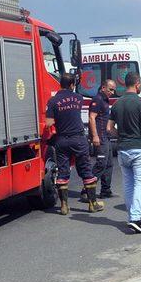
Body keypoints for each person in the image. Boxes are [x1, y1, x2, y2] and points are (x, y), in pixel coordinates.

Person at [107, 72, 141, 234]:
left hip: (123, 149)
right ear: (137, 84)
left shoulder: (117, 104)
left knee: (129, 184)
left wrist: (121, 136)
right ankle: (136, 218)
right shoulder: (139, 102)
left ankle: (132, 217)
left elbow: (109, 128)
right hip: (139, 148)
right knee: (140, 185)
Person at [45, 73, 103, 215]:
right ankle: (92, 203)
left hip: (62, 140)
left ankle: (64, 206)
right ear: (72, 85)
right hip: (78, 139)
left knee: (63, 172)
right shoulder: (78, 98)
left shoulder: (52, 101)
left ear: (60, 83)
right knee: (86, 170)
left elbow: (49, 123)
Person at [85, 79, 117, 201]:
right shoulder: (97, 99)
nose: (112, 92)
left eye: (114, 90)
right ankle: (87, 190)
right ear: (103, 88)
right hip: (100, 137)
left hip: (106, 136)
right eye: (110, 89)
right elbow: (92, 118)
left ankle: (105, 190)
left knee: (109, 164)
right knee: (101, 164)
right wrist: (95, 136)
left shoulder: (105, 99)